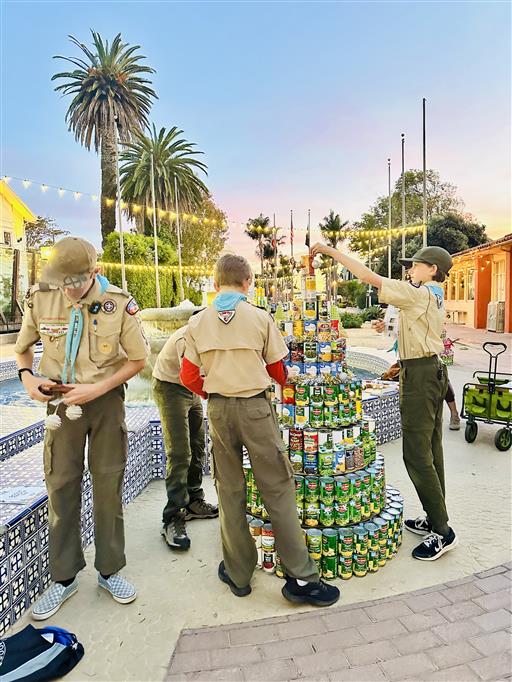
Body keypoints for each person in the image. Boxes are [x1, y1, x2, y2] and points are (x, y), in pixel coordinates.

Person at [179, 253, 340, 606]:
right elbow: (277, 370)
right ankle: (300, 578)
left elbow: (188, 376)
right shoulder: (259, 317)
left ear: (215, 283)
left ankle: (238, 574)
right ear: (248, 282)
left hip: (218, 410)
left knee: (229, 491)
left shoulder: (198, 321)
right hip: (255, 409)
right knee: (277, 489)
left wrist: (215, 394)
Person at [14, 237, 149, 619]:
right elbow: (23, 348)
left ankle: (110, 571)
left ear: (95, 272)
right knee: (60, 485)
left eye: (75, 283)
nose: (68, 291)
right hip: (60, 402)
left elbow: (138, 359)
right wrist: (27, 378)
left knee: (108, 483)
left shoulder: (117, 303)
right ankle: (64, 578)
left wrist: (97, 389)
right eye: (63, 283)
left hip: (104, 402)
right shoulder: (42, 297)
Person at [312, 242, 458, 561]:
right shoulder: (432, 294)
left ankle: (443, 531)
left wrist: (330, 251)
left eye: (416, 265)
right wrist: (388, 325)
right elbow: (409, 325)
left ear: (433, 269)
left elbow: (368, 276)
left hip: (420, 375)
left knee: (416, 454)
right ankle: (436, 517)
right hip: (431, 370)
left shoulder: (419, 293)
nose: (410, 270)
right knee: (431, 450)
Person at [152, 317, 218, 551]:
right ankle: (173, 515)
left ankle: (193, 501)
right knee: (180, 452)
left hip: (191, 387)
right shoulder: (186, 337)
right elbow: (188, 376)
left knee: (198, 446)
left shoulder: (216, 333)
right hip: (171, 387)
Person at [374, 316, 461, 430]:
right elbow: (391, 328)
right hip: (407, 358)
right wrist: (383, 326)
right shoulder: (398, 311)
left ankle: (454, 414)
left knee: (442, 381)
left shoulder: (422, 309)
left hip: (427, 356)